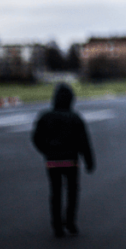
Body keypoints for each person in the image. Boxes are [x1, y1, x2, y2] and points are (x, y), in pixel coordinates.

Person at [32, 83, 95, 238]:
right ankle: (71, 222)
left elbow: (36, 138)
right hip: (71, 160)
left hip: (52, 160)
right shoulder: (75, 118)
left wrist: (46, 151)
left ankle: (57, 225)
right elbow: (84, 141)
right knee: (72, 191)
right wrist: (89, 161)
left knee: (55, 191)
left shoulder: (45, 116)